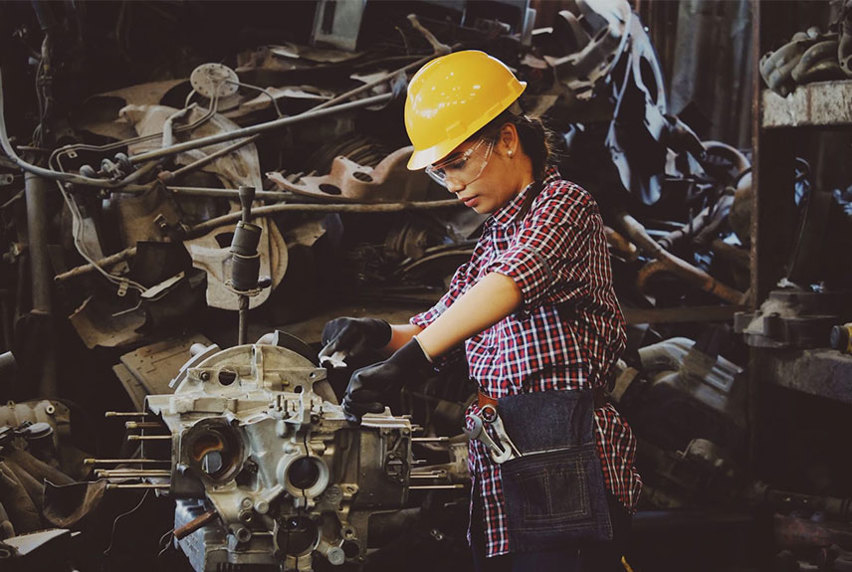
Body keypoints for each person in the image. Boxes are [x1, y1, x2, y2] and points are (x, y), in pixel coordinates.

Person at [319, 50, 641, 572]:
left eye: (460, 162)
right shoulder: (494, 239)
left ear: (508, 139)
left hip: (565, 451)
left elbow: (509, 284)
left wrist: (412, 360)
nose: (453, 185)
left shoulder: (565, 205)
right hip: (505, 454)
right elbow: (436, 324)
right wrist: (378, 335)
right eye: (442, 172)